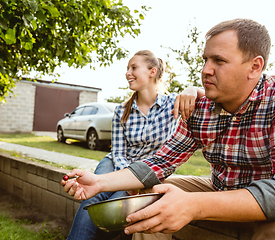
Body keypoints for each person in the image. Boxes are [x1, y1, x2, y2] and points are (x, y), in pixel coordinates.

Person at [62, 18, 275, 240]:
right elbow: (160, 161)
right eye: (205, 60)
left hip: (270, 204)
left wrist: (194, 205)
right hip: (220, 188)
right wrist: (99, 182)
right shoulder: (201, 108)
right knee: (150, 198)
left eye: (219, 61)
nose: (205, 70)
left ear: (254, 67)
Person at [65, 50, 204, 240]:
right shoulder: (122, 110)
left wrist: (192, 88)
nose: (128, 73)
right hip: (116, 162)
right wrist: (125, 176)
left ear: (152, 72)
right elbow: (118, 151)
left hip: (147, 170)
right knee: (93, 197)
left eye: (134, 68)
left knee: (117, 204)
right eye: (127, 69)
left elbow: (203, 99)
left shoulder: (173, 104)